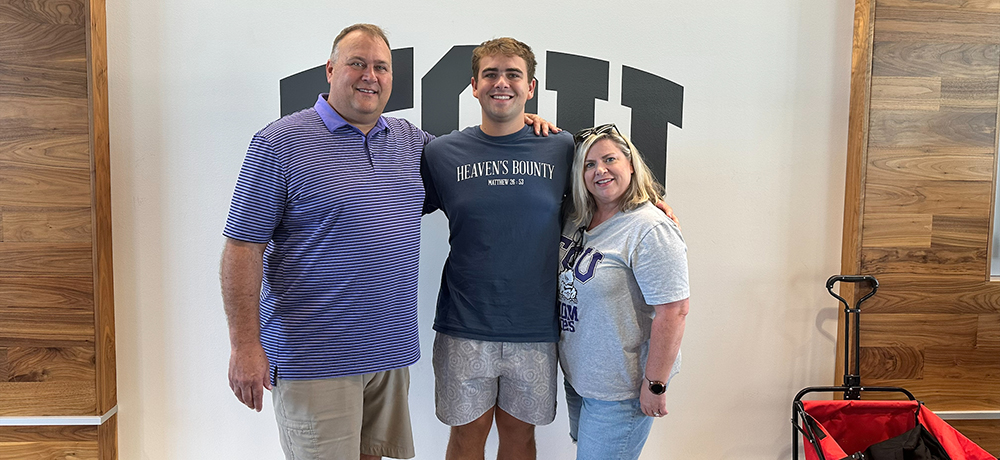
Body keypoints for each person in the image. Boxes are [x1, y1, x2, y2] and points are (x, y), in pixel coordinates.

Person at [220, 24, 555, 460]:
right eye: (357, 63)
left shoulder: (411, 142)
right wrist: (244, 345)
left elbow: (481, 162)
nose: (369, 76)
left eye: (381, 67)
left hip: (387, 354)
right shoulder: (280, 142)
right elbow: (242, 247)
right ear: (330, 69)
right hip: (315, 359)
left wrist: (522, 127)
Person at [420, 38, 573, 460]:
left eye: (512, 74)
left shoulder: (561, 147)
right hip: (464, 324)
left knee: (520, 440)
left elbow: (611, 186)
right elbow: (393, 203)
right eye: (490, 74)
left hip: (535, 326)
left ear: (531, 87)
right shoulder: (440, 153)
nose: (500, 83)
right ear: (473, 85)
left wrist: (655, 204)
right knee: (466, 441)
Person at [557, 124, 689, 460]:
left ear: (630, 164)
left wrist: (655, 384)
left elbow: (674, 311)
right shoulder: (576, 218)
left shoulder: (650, 228)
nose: (600, 170)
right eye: (588, 164)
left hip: (621, 389)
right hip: (580, 378)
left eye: (609, 159)